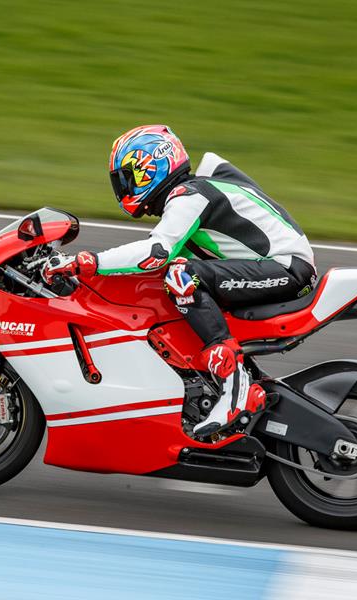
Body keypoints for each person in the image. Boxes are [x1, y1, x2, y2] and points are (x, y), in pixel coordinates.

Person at [44, 125, 316, 436]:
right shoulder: (191, 194)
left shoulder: (189, 196)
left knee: (181, 277)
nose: (123, 188)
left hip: (285, 270)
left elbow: (154, 252)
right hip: (275, 267)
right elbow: (146, 263)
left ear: (150, 167)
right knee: (167, 281)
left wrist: (87, 262)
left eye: (127, 178)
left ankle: (235, 387)